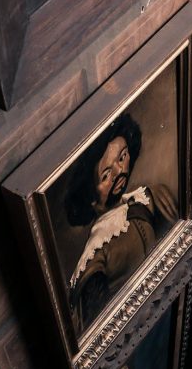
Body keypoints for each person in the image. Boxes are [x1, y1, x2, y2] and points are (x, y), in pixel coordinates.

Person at [65, 113, 177, 333]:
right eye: (106, 175)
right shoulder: (95, 257)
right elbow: (99, 327)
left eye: (122, 157)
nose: (119, 171)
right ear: (91, 195)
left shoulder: (148, 198)